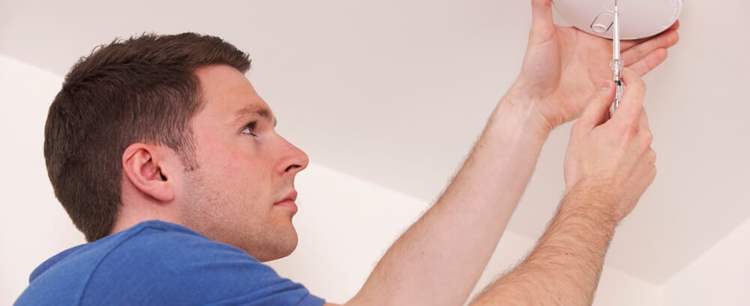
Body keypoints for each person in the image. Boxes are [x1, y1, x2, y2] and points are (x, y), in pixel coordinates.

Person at [14, 0, 679, 305]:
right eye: (251, 128)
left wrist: (531, 112)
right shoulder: (138, 265)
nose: (296, 154)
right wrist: (595, 202)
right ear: (152, 169)